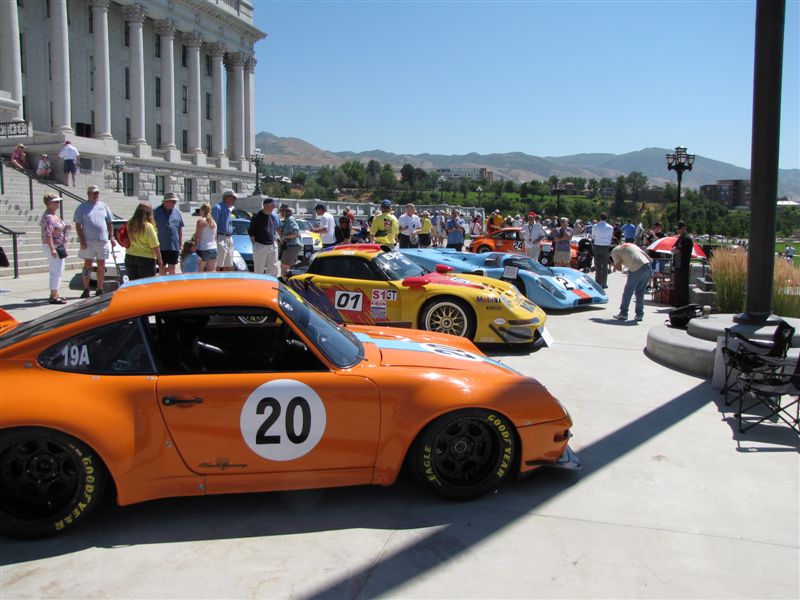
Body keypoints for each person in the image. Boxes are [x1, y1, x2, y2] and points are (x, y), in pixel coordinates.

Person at [74, 185, 114, 297]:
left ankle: (99, 288)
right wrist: (82, 241)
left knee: (101, 264)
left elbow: (110, 222)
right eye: (94, 193)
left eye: (97, 193)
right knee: (88, 265)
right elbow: (78, 225)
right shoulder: (82, 207)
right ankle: (86, 288)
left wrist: (111, 237)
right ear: (88, 194)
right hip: (88, 241)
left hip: (102, 241)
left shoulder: (103, 206)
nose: (96, 195)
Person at [40, 193, 71, 304]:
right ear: (49, 203)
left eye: (58, 201)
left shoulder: (54, 215)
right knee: (56, 271)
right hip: (54, 246)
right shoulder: (49, 217)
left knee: (60, 270)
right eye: (56, 201)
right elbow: (48, 234)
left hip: (59, 246)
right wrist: (52, 248)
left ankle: (55, 293)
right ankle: (53, 296)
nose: (58, 204)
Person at [611, 242, 652, 322]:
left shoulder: (614, 251)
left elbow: (618, 268)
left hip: (636, 268)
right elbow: (648, 257)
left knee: (628, 292)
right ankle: (639, 315)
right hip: (647, 267)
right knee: (640, 293)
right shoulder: (631, 245)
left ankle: (623, 313)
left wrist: (615, 264)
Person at [124, 202, 164, 280]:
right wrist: (160, 259)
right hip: (146, 258)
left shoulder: (130, 223)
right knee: (146, 284)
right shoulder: (148, 226)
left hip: (130, 255)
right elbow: (154, 245)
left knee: (133, 283)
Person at [153, 191, 184, 276]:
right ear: (166, 201)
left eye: (175, 201)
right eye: (173, 201)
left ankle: (171, 286)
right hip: (160, 245)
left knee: (172, 267)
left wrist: (181, 241)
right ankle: (162, 286)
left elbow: (180, 227)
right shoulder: (156, 211)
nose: (175, 203)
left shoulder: (177, 212)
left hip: (173, 245)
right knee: (161, 266)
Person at [249, 196, 281, 277]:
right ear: (266, 206)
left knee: (273, 267)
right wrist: (255, 245)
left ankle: (271, 284)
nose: (274, 208)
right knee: (259, 269)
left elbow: (274, 229)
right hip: (261, 244)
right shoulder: (257, 216)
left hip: (272, 244)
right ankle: (258, 287)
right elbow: (251, 232)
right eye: (272, 205)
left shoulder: (271, 216)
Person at [211, 189, 236, 271]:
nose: (234, 200)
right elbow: (214, 225)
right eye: (233, 198)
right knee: (218, 264)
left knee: (229, 264)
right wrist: (215, 237)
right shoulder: (217, 208)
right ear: (226, 198)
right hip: (221, 237)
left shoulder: (229, 209)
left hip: (229, 237)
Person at [673, 220, 693, 307]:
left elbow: (681, 250)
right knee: (678, 285)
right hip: (677, 265)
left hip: (683, 266)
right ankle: (678, 303)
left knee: (683, 286)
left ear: (684, 228)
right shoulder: (680, 237)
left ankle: (684, 304)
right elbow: (674, 247)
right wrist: (675, 250)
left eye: (679, 228)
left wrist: (677, 250)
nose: (678, 230)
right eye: (678, 229)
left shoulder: (687, 238)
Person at [278, 203, 302, 278]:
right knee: (291, 266)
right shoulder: (287, 219)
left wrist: (285, 237)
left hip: (292, 245)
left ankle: (284, 281)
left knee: (284, 265)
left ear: (285, 211)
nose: (280, 213)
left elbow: (296, 233)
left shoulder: (290, 220)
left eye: (281, 211)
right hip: (292, 246)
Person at [592, 212, 614, 289]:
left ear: (599, 217)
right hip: (606, 247)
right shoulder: (610, 227)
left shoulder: (595, 226)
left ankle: (598, 283)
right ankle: (604, 283)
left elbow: (592, 236)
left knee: (598, 266)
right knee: (605, 266)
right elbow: (610, 237)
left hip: (597, 246)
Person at [194, 202, 218, 272]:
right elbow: (215, 237)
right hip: (213, 248)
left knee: (200, 272)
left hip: (203, 248)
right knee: (212, 272)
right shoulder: (213, 222)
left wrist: (193, 247)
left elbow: (198, 238)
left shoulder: (201, 221)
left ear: (203, 210)